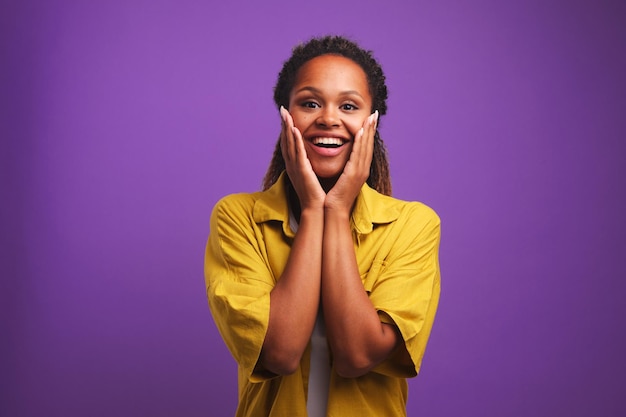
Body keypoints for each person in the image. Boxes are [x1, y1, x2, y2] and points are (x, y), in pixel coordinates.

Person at [204, 35, 441, 417]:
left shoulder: (412, 225)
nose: (328, 118)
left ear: (371, 122)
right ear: (286, 115)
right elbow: (279, 352)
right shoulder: (237, 218)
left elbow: (357, 355)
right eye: (310, 103)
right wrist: (316, 209)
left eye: (348, 105)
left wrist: (340, 208)